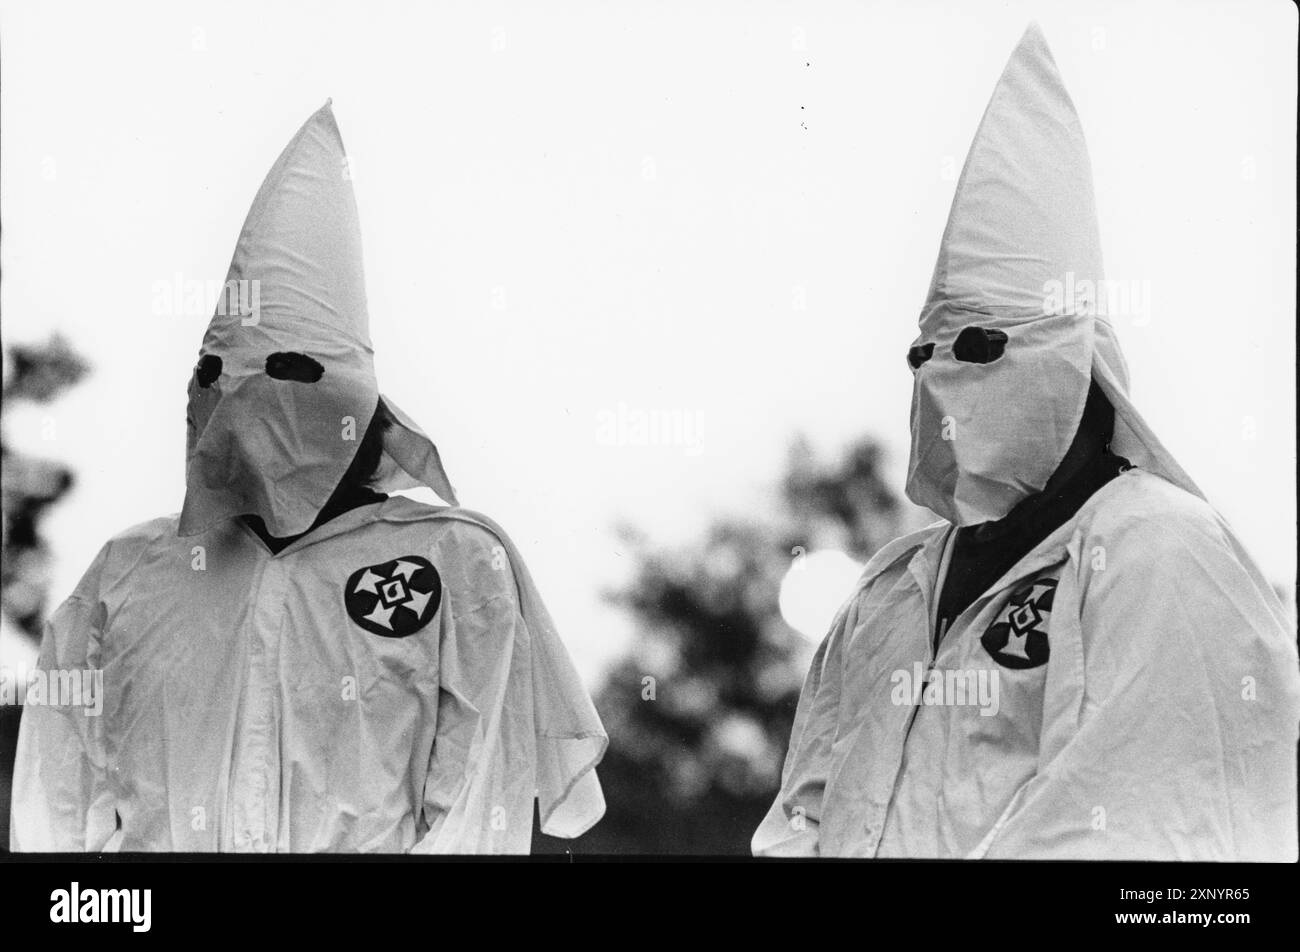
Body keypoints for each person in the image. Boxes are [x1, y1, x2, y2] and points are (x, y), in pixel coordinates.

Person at [754, 24, 1300, 860]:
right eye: (923, 354)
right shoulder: (888, 591)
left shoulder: (1158, 554)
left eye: (981, 350)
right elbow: (803, 813)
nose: (941, 379)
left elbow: (1135, 833)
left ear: (1076, 370)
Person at [10, 102, 607, 853]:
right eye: (214, 375)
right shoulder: (127, 575)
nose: (242, 399)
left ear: (356, 401)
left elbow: (477, 806)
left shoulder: (456, 565)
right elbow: (58, 815)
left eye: (291, 374)